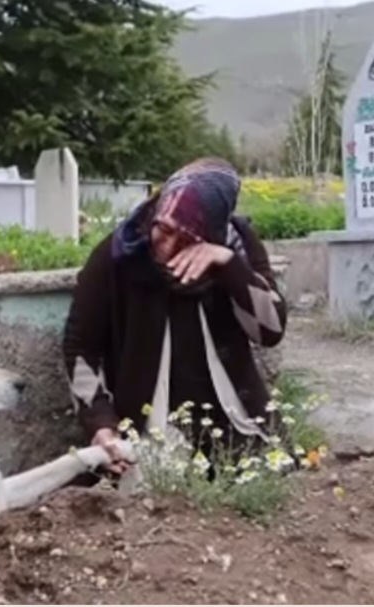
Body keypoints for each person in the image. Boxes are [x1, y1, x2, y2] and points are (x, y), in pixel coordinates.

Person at [62, 157, 288, 476]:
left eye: (186, 240)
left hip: (236, 425)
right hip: (152, 431)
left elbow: (270, 330)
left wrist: (229, 266)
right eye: (164, 230)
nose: (167, 247)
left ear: (211, 233)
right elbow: (80, 348)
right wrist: (101, 424)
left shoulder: (238, 245)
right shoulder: (116, 257)